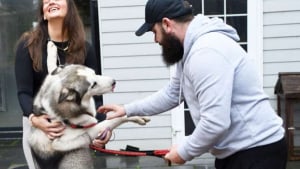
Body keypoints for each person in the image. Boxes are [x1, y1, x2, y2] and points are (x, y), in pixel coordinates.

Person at [98, 0, 287, 168]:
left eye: (154, 32)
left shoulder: (206, 52)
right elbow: (173, 93)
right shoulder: (189, 50)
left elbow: (215, 123)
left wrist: (184, 152)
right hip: (237, 151)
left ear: (166, 24)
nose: (156, 40)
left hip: (257, 151)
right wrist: (127, 109)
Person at [15, 0, 110, 168]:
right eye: (46, 0)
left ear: (69, 8)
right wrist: (34, 118)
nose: (51, 1)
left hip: (74, 129)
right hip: (39, 130)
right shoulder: (27, 46)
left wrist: (103, 128)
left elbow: (96, 98)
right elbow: (24, 93)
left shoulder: (85, 49)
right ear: (44, 13)